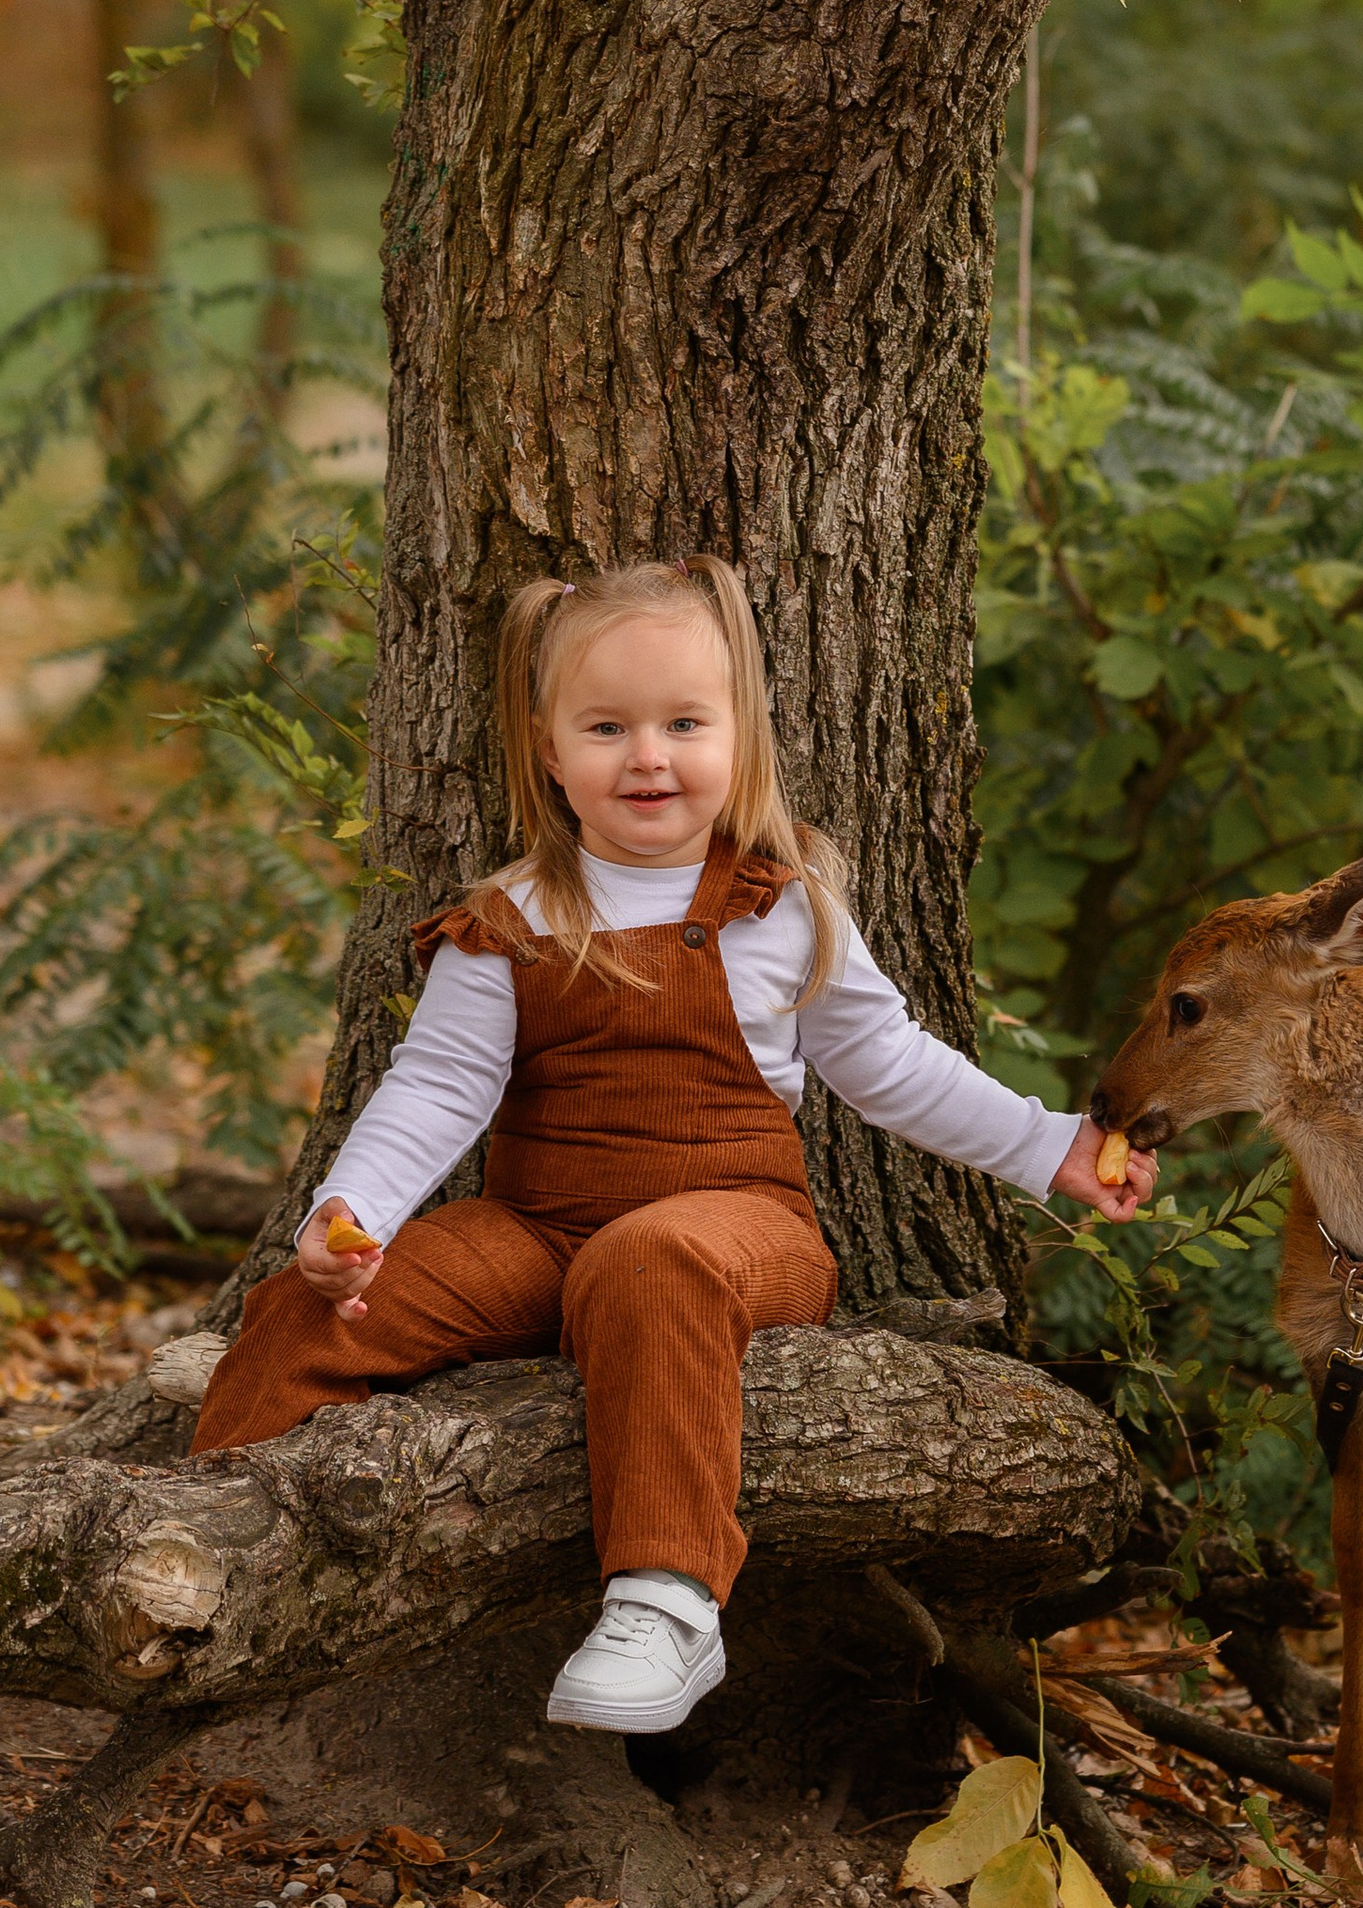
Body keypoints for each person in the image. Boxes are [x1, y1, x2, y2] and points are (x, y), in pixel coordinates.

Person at [192, 556, 1154, 1731]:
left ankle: (668, 1600)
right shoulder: (510, 923)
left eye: (684, 722)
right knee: (307, 1309)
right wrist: (349, 1219)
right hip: (538, 1229)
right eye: (607, 727)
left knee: (649, 1260)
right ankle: (197, 1555)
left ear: (740, 733)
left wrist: (1049, 1144)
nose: (647, 755)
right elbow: (432, 1089)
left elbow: (891, 1063)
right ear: (549, 751)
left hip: (734, 1231)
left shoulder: (779, 902)